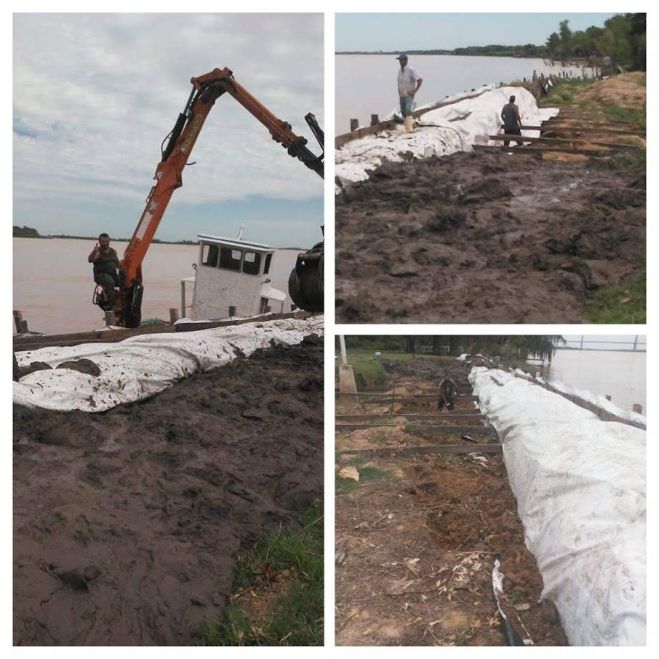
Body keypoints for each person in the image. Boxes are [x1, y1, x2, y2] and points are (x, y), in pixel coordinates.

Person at [88, 233, 120, 307]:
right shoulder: (98, 251)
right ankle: (112, 305)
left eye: (107, 241)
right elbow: (90, 260)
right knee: (110, 282)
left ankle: (123, 302)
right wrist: (94, 251)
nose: (105, 243)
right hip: (101, 275)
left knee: (125, 281)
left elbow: (118, 265)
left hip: (113, 274)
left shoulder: (113, 251)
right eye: (103, 241)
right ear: (99, 242)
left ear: (109, 241)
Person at [396, 53, 422, 133]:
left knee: (408, 110)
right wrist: (398, 90)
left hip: (409, 94)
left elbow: (420, 80)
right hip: (402, 95)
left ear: (406, 60)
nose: (400, 62)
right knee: (403, 112)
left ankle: (409, 129)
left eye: (402, 60)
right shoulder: (400, 71)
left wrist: (415, 90)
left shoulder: (411, 70)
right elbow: (399, 82)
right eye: (399, 60)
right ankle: (413, 123)